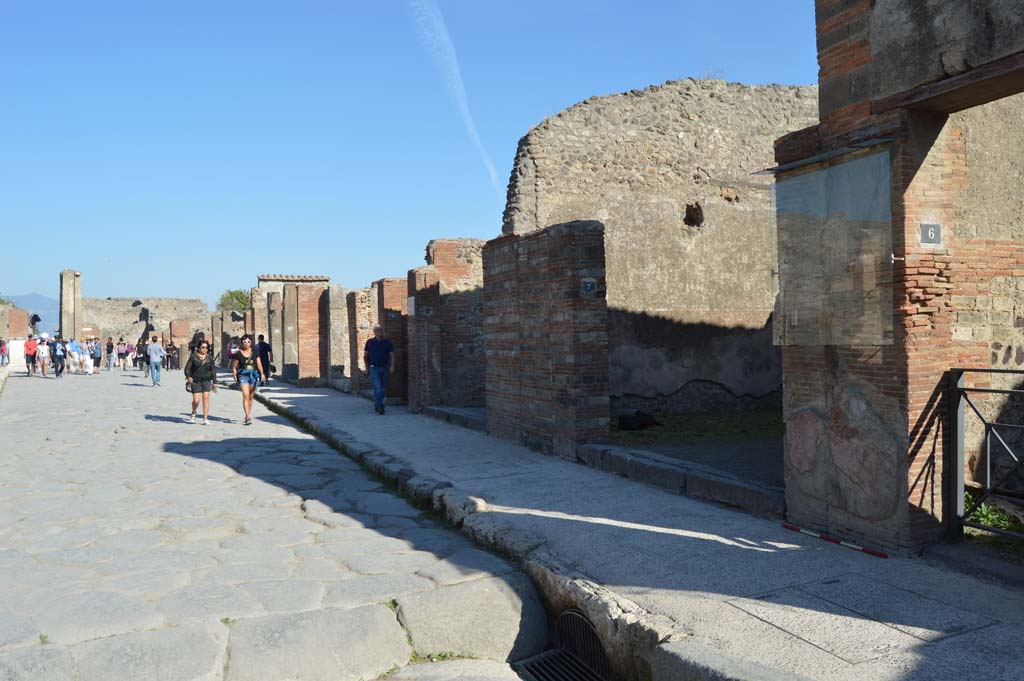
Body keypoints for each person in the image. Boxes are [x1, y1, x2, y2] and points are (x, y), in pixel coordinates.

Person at [231, 334, 264, 426]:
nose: (246, 343)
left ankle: (248, 412)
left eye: (248, 342)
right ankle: (247, 416)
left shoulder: (255, 352)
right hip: (243, 375)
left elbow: (259, 364)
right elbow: (234, 366)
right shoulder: (238, 353)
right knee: (245, 395)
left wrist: (262, 374)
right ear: (241, 343)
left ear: (251, 343)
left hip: (253, 375)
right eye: (244, 342)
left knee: (250, 397)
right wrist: (234, 374)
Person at [363, 324, 395, 415]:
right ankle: (380, 407)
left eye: (380, 330)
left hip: (384, 367)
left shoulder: (387, 342)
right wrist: (367, 368)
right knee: (379, 388)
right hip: (374, 368)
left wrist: (392, 366)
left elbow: (392, 355)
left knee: (382, 389)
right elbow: (365, 356)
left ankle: (377, 405)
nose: (379, 331)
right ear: (374, 332)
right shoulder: (369, 342)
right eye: (377, 330)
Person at [183, 338, 217, 425]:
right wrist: (188, 376)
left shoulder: (209, 357)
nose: (205, 349)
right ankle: (193, 412)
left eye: (206, 347)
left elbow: (213, 370)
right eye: (203, 347)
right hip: (195, 381)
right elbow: (187, 368)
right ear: (198, 348)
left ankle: (205, 418)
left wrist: (215, 381)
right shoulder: (193, 357)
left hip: (207, 380)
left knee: (206, 399)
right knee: (196, 400)